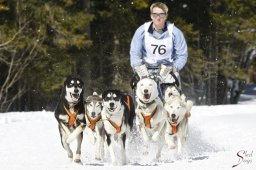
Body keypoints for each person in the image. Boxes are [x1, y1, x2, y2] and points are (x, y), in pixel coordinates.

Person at [130, 2, 188, 89]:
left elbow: (182, 55)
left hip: (168, 70)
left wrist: (174, 68)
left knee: (172, 96)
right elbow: (135, 52)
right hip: (146, 69)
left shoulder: (175, 32)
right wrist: (138, 67)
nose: (158, 17)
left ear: (166, 16)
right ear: (151, 16)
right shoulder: (142, 31)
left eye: (161, 14)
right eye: (155, 14)